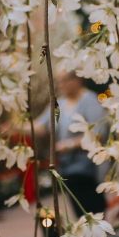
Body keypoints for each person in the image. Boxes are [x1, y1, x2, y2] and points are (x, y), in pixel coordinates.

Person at [35, 71, 109, 217]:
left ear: (77, 80)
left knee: (93, 208)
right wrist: (14, 127)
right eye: (59, 81)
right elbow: (40, 126)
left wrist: (68, 144)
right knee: (79, 209)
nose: (61, 85)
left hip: (89, 165)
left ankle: (99, 236)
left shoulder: (90, 100)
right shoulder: (59, 103)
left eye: (64, 80)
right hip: (67, 167)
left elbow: (97, 134)